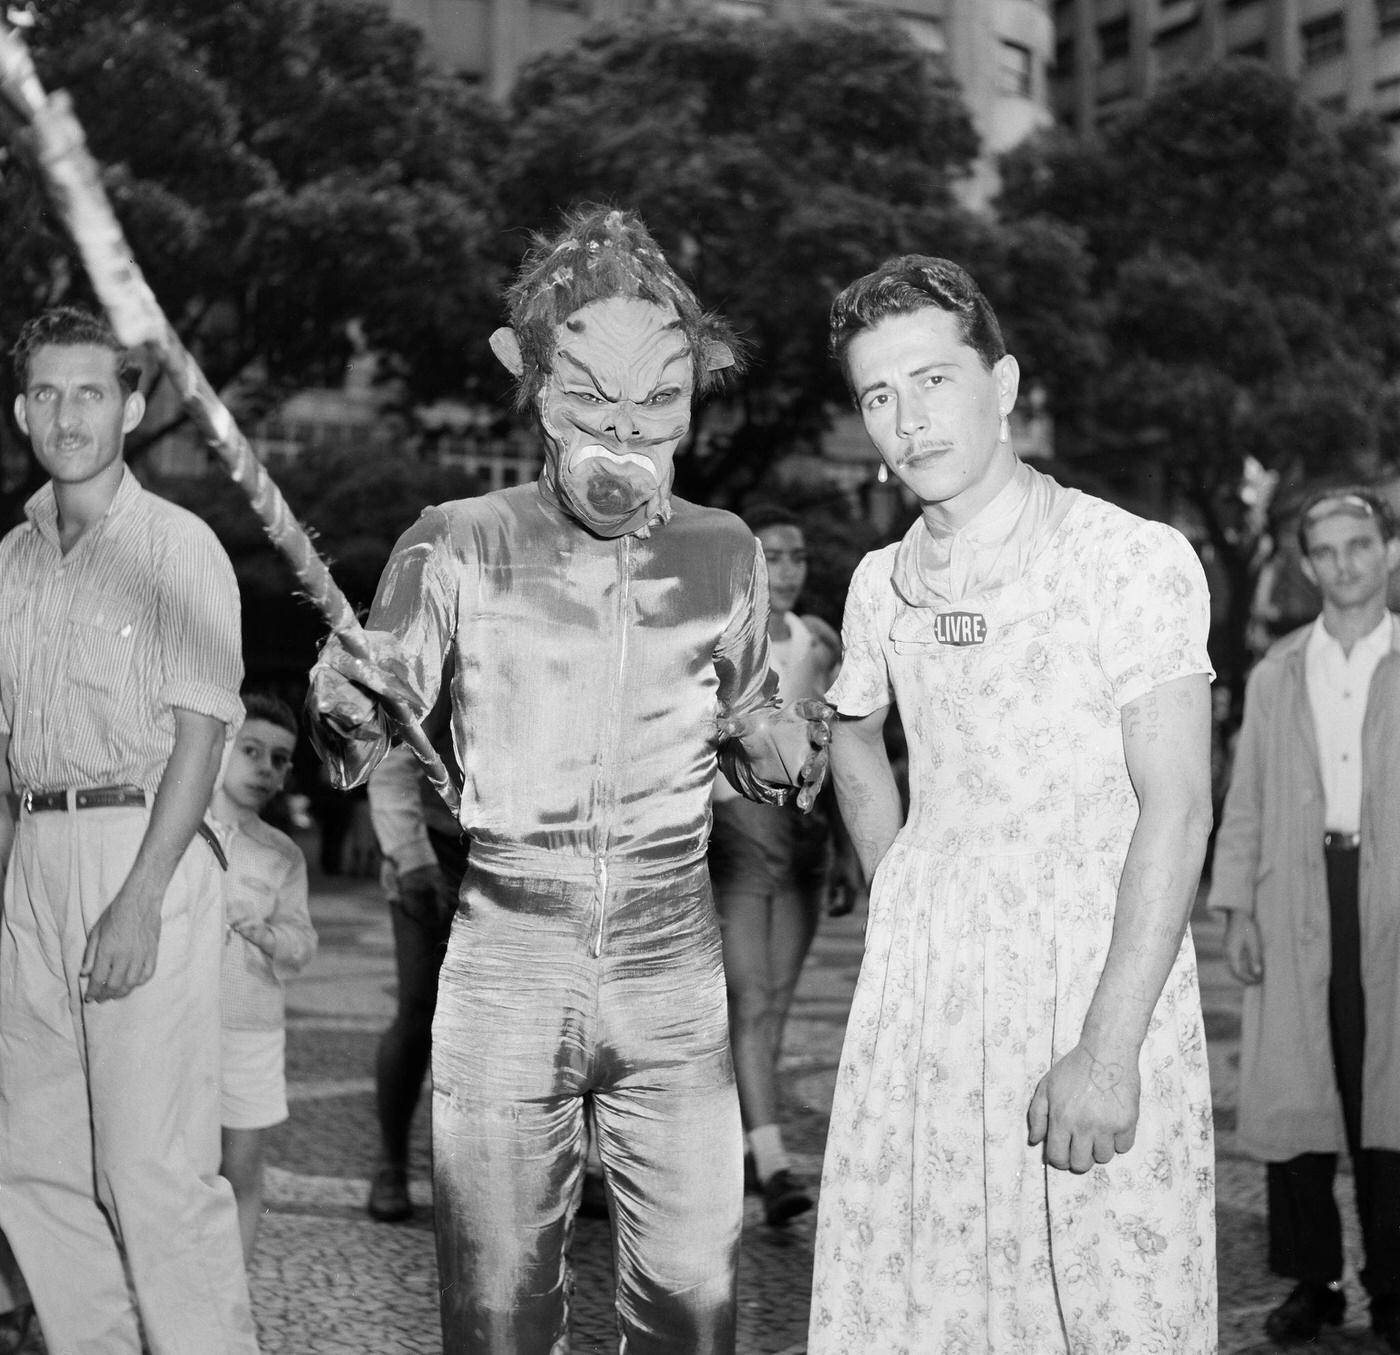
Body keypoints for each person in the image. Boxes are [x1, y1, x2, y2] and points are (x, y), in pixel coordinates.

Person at [306, 207, 829, 1354]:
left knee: (694, 1304)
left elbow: (751, 732)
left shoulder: (725, 547)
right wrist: (344, 697)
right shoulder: (453, 538)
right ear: (536, 388)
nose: (626, 433)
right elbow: (352, 741)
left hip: (673, 957)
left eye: (658, 406)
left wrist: (783, 743)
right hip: (505, 953)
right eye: (594, 402)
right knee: (493, 1309)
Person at [808, 257, 1217, 1353]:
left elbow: (1177, 809)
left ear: (1002, 382)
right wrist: (903, 884)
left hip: (1089, 976)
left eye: (933, 381)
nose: (906, 419)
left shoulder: (1129, 558)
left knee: (1106, 1295)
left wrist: (1108, 1046)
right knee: (929, 1295)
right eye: (877, 396)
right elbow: (852, 728)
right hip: (931, 996)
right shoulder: (876, 580)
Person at [0, 306, 258, 1353]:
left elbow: (204, 725)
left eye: (91, 391)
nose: (68, 414)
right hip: (37, 854)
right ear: (22, 411)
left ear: (132, 406)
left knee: (152, 1168)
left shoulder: (176, 547)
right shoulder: (11, 560)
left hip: (140, 844)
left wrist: (142, 895)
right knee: (36, 1162)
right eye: (48, 393)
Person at [1208, 485, 1400, 1349]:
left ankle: (1394, 1287)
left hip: (1393, 896)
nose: (1345, 564)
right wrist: (1236, 902)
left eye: (1360, 544)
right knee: (1297, 1094)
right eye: (1326, 550)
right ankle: (1313, 1282)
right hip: (1296, 891)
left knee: (1391, 1100)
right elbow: (1243, 796)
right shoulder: (1281, 667)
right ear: (1306, 562)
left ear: (1386, 548)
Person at [708, 506, 846, 1226]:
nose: (790, 570)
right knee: (750, 1000)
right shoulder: (722, 636)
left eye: (799, 557)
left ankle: (742, 1144)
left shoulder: (819, 640)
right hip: (737, 826)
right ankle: (772, 1162)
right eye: (776, 557)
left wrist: (849, 848)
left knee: (777, 1006)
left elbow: (850, 748)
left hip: (805, 837)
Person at [213, 692, 318, 1261]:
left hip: (250, 1029)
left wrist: (271, 937)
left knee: (241, 1170)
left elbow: (302, 943)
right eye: (250, 750)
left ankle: (230, 1306)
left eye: (280, 759)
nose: (265, 768)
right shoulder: (176, 830)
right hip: (176, 1023)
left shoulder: (281, 854)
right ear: (220, 745)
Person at [364, 725, 464, 1223]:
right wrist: (409, 855)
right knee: (420, 1006)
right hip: (431, 842)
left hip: (521, 845)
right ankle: (391, 1163)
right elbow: (395, 752)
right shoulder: (444, 643)